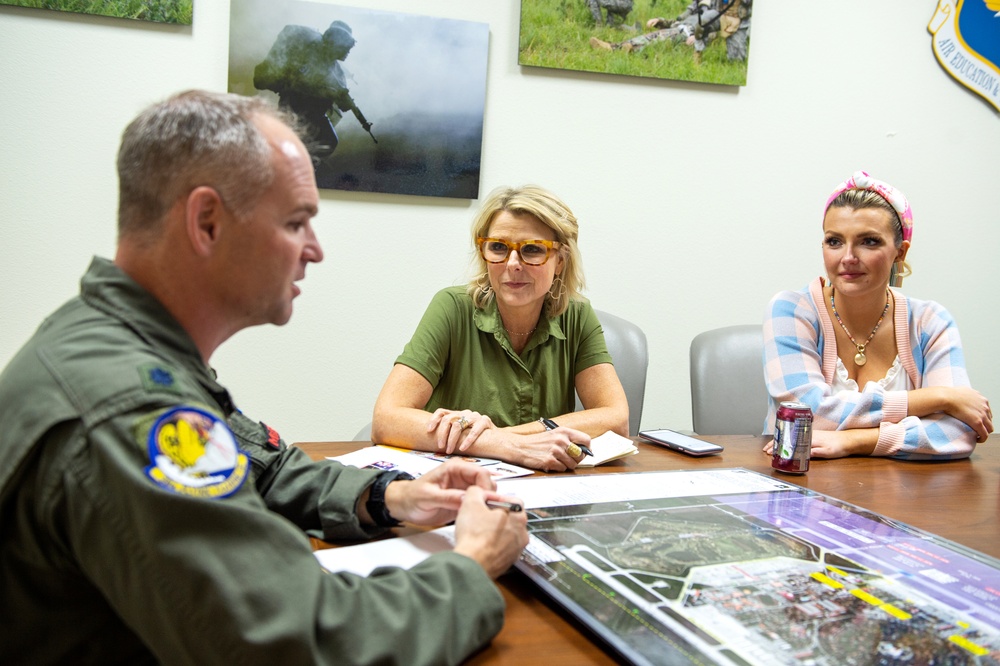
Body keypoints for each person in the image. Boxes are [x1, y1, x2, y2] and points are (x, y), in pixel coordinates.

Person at [0, 90, 528, 665]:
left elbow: (259, 462)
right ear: (206, 222)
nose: (315, 251)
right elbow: (302, 644)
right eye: (296, 221)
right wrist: (470, 563)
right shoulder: (129, 406)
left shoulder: (123, 344)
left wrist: (392, 496)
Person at [371, 185, 629, 472]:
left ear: (560, 261)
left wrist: (503, 438)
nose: (513, 264)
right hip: (457, 484)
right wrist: (506, 446)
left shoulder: (577, 315)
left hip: (545, 485)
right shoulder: (452, 307)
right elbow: (386, 419)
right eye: (498, 248)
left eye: (532, 250)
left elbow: (616, 419)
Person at [762, 170, 993, 460]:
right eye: (834, 241)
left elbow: (959, 432)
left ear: (900, 252)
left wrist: (857, 441)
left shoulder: (931, 322)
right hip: (798, 485)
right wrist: (938, 398)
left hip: (906, 496)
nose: (847, 257)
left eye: (868, 241)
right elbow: (807, 416)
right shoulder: (791, 310)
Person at [254, 19, 376, 160]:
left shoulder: (338, 73)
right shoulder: (307, 51)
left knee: (329, 141)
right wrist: (322, 89)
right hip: (294, 108)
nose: (348, 50)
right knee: (288, 145)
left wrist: (344, 101)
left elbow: (343, 103)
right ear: (336, 41)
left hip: (316, 115)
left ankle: (305, 164)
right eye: (346, 45)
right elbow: (293, 81)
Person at [590, 0, 751, 64]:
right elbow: (674, 21)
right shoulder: (695, 14)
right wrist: (658, 20)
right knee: (659, 36)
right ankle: (629, 47)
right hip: (678, 28)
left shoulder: (718, 19)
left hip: (687, 34)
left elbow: (713, 35)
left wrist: (697, 38)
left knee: (660, 37)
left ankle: (614, 48)